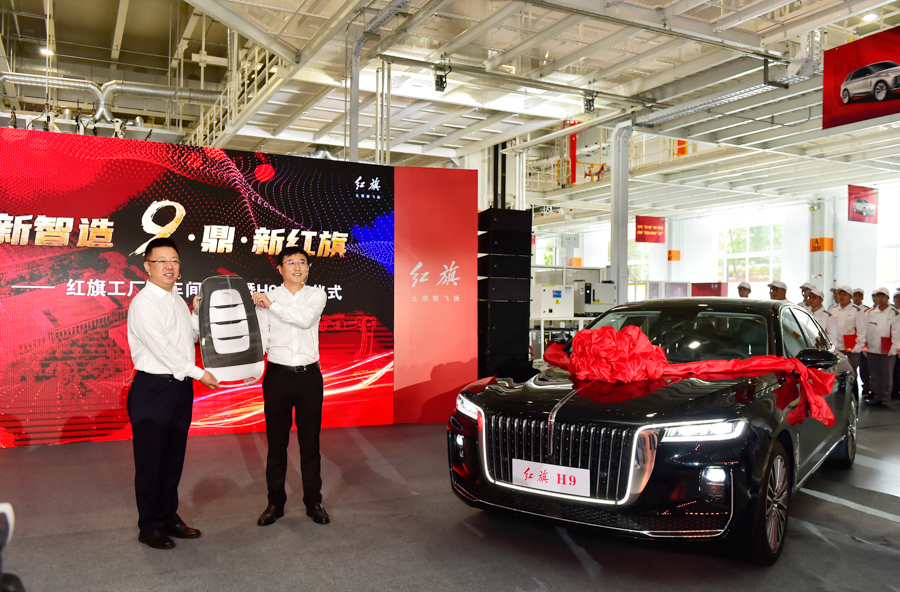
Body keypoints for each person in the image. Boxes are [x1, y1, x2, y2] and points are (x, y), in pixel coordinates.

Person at [126, 237, 219, 550]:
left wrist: (198, 315)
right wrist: (200, 374)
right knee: (151, 461)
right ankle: (149, 526)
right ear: (147, 267)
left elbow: (189, 336)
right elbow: (163, 350)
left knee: (173, 458)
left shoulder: (176, 299)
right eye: (161, 261)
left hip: (178, 388)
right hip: (153, 389)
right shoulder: (144, 304)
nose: (169, 266)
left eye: (174, 261)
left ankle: (168, 517)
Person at [252, 246, 330, 527]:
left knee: (310, 444)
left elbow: (305, 320)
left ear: (308, 268)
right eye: (291, 262)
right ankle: (275, 503)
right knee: (276, 445)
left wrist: (272, 306)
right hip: (278, 377)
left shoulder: (316, 295)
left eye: (302, 262)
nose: (297, 267)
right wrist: (252, 371)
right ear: (280, 268)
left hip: (309, 377)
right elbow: (261, 338)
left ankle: (314, 502)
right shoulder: (267, 298)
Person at [863, 287, 900, 409]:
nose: (880, 299)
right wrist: (865, 346)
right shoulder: (871, 313)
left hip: (887, 350)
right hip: (872, 348)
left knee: (886, 376)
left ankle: (885, 398)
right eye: (878, 296)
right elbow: (865, 329)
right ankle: (876, 397)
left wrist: (894, 347)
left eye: (883, 296)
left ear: (888, 298)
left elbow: (896, 332)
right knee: (874, 375)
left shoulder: (894, 313)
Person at [829, 285, 867, 378]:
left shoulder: (857, 311)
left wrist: (858, 347)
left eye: (844, 294)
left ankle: (853, 388)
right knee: (837, 374)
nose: (841, 297)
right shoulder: (833, 310)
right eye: (840, 294)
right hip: (837, 348)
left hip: (851, 349)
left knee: (851, 375)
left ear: (851, 297)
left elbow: (861, 331)